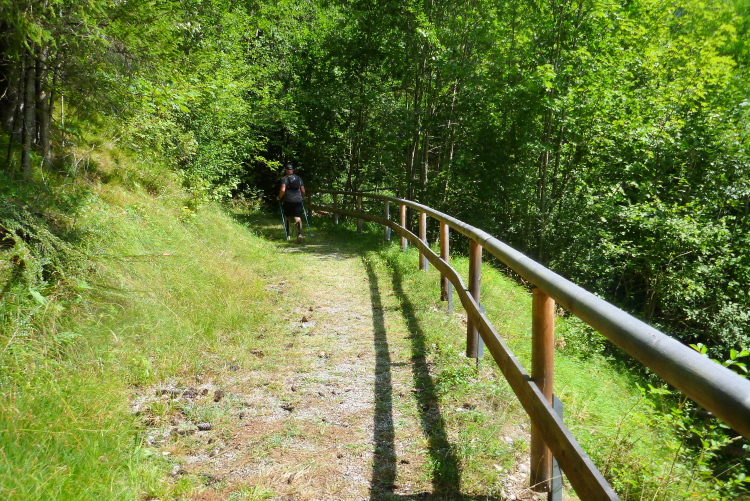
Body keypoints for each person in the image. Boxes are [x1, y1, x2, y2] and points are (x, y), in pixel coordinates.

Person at [277, 164, 306, 243]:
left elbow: (283, 190)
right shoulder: (299, 178)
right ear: (293, 170)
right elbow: (303, 191)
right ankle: (299, 234)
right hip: (298, 200)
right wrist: (302, 197)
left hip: (288, 200)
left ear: (286, 170)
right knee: (297, 217)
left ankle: (288, 235)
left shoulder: (284, 179)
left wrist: (279, 197)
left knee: (287, 217)